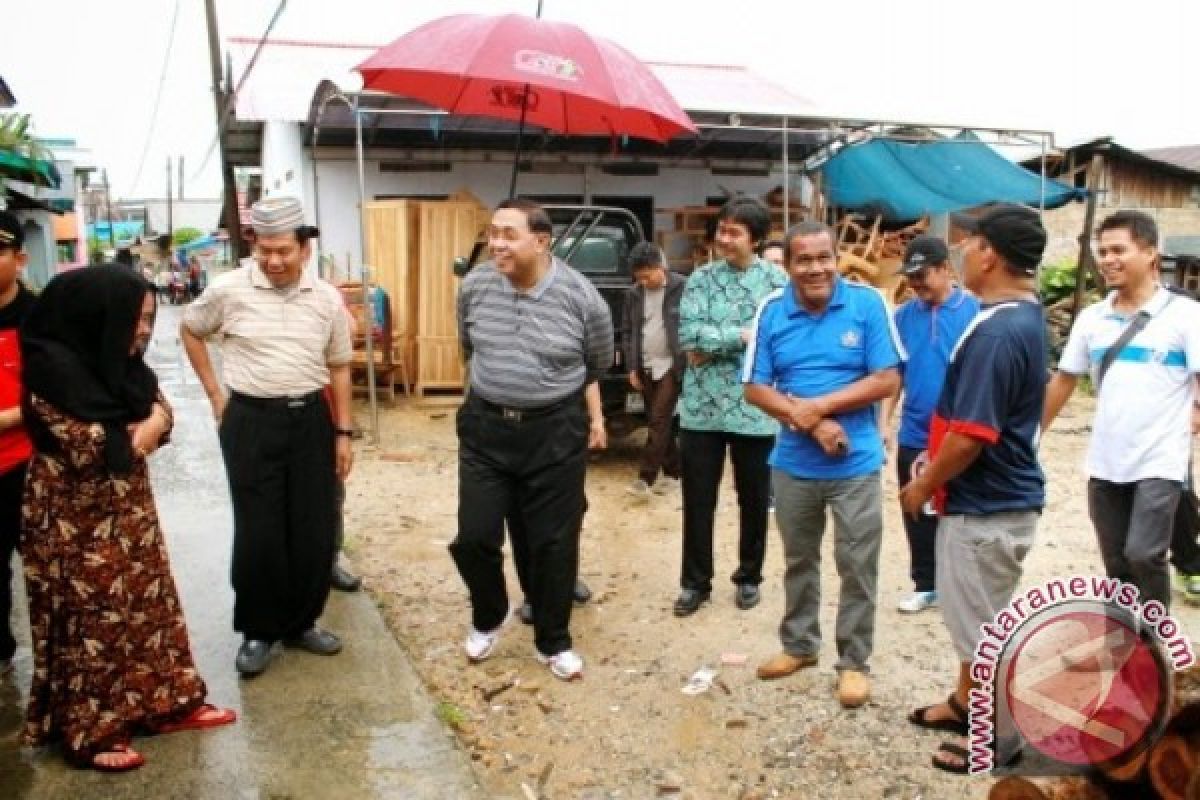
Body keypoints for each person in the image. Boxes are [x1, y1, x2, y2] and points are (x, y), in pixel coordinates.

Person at [19, 265, 235, 772]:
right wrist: (142, 428)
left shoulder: (122, 364)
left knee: (150, 606)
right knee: (92, 622)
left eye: (148, 319)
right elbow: (100, 447)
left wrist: (151, 422)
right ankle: (90, 732)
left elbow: (161, 413)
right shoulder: (52, 373)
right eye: (134, 319)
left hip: (128, 510)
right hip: (71, 519)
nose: (142, 331)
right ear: (99, 317)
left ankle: (165, 703)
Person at [899, 204, 1048, 774]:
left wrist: (924, 486)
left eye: (969, 244)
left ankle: (1000, 738)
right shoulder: (1020, 316)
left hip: (986, 508)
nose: (961, 253)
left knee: (985, 632)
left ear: (989, 253)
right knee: (979, 620)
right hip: (997, 499)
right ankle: (965, 703)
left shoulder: (998, 331)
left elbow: (972, 437)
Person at [181, 197, 354, 677]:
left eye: (284, 251)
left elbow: (339, 366)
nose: (275, 261)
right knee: (259, 533)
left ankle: (301, 624)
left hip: (310, 423)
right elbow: (190, 329)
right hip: (251, 421)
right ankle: (258, 630)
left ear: (304, 248)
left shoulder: (325, 299)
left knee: (313, 530)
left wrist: (342, 432)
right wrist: (217, 396)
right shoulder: (229, 290)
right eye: (266, 250)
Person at [450, 198, 612, 681]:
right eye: (492, 232)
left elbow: (597, 362)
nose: (496, 243)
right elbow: (469, 346)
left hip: (554, 431)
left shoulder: (583, 299)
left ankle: (553, 640)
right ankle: (489, 613)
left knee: (554, 541)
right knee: (475, 536)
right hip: (486, 428)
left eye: (508, 234)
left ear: (542, 242)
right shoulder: (476, 285)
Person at [744, 220, 903, 708]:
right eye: (803, 260)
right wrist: (809, 422)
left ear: (837, 258)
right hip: (793, 464)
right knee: (799, 560)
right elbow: (754, 387)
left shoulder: (869, 303)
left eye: (823, 258)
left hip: (855, 465)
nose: (815, 269)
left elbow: (886, 379)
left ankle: (854, 662)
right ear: (788, 265)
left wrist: (820, 407)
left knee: (857, 565)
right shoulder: (771, 311)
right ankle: (799, 645)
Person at [1042, 210, 1200, 610]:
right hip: (1106, 459)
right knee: (1116, 562)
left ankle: (1157, 644)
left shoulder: (1185, 316)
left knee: (1144, 553)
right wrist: (1031, 434)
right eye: (1102, 251)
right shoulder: (1092, 319)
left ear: (1150, 253)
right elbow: (1064, 380)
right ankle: (1134, 643)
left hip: (1161, 458)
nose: (1108, 259)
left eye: (1118, 250)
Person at [674, 197, 788, 617]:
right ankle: (694, 583)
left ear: (755, 239)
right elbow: (689, 337)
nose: (723, 238)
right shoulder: (699, 280)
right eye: (721, 230)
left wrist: (718, 340)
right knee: (698, 499)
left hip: (755, 409)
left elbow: (777, 342)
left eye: (733, 232)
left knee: (754, 499)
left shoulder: (778, 285)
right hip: (701, 409)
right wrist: (742, 337)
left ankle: (749, 577)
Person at [882, 235, 980, 614]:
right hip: (916, 430)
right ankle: (926, 583)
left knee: (963, 505)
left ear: (945, 270)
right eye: (911, 277)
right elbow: (894, 375)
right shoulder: (903, 316)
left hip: (960, 430)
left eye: (923, 275)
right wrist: (884, 424)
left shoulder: (975, 311)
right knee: (916, 505)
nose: (916, 284)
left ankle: (962, 585)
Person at [0, 212, 36, 674]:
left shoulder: (39, 318)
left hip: (28, 462)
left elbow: (56, 392)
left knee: (44, 568)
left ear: (20, 259)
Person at [622, 242, 685, 500]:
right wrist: (632, 367)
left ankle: (644, 479)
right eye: (639, 278)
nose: (644, 282)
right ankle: (674, 473)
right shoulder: (634, 294)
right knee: (659, 421)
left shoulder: (683, 286)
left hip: (672, 364)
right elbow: (629, 332)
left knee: (658, 419)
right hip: (646, 364)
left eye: (647, 276)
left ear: (660, 267)